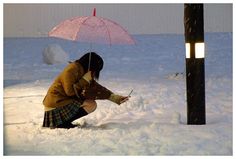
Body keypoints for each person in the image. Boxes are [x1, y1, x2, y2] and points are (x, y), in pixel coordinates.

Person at [42, 52, 129, 129]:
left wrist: (114, 98)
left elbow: (95, 87)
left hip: (64, 101)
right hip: (56, 104)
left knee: (91, 104)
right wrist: (84, 80)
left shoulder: (83, 71)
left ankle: (64, 122)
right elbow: (70, 92)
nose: (94, 73)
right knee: (91, 104)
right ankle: (61, 123)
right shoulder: (71, 69)